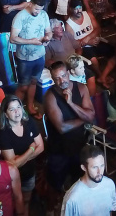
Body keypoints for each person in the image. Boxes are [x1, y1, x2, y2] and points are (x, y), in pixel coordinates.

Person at [43, 61, 95, 192]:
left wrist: (71, 103)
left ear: (68, 73)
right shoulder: (50, 96)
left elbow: (91, 115)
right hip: (59, 149)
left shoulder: (81, 88)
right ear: (52, 79)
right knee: (55, 185)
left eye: (63, 76)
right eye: (57, 78)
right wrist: (84, 119)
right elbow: (62, 128)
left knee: (79, 182)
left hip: (79, 144)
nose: (61, 81)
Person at [0, 95, 43, 216]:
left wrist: (20, 159)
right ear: (6, 114)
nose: (17, 111)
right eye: (12, 109)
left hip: (29, 172)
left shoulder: (29, 122)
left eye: (18, 107)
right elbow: (13, 164)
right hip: (11, 178)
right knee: (13, 203)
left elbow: (41, 147)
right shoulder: (3, 133)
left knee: (26, 201)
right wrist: (31, 149)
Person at [10, 0, 52, 115]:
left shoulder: (43, 15)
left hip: (40, 55)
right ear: (30, 4)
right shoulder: (20, 17)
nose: (38, 12)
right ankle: (13, 110)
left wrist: (47, 38)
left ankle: (30, 106)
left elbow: (49, 32)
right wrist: (31, 41)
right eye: (36, 9)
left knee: (34, 82)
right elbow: (12, 38)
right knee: (23, 86)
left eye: (40, 9)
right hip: (24, 58)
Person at [61, 145, 116, 216]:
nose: (99, 171)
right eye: (94, 167)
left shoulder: (110, 184)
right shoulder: (73, 198)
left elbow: (110, 211)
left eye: (102, 165)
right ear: (84, 168)